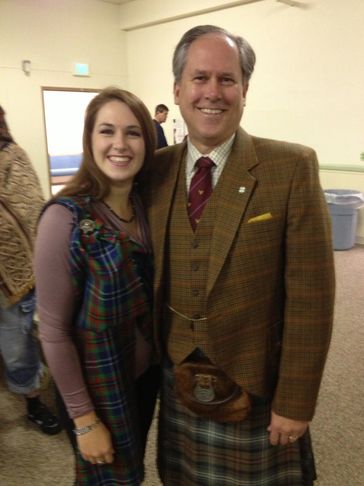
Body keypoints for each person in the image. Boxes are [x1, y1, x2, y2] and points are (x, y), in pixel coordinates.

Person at [143, 25, 335, 485]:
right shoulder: (155, 169)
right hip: (177, 381)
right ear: (177, 88)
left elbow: (312, 302)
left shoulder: (290, 168)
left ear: (245, 89)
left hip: (258, 383)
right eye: (200, 78)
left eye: (227, 80)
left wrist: (294, 403)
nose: (213, 92)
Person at [34, 87, 160, 485]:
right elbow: (52, 331)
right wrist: (84, 420)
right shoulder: (65, 218)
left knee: (130, 472)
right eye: (107, 131)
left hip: (141, 376)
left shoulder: (145, 205)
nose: (119, 144)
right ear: (90, 141)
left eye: (133, 133)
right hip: (96, 388)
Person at [0, 105, 61, 435]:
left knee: (18, 343)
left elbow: (28, 209)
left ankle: (34, 402)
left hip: (11, 277)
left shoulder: (12, 155)